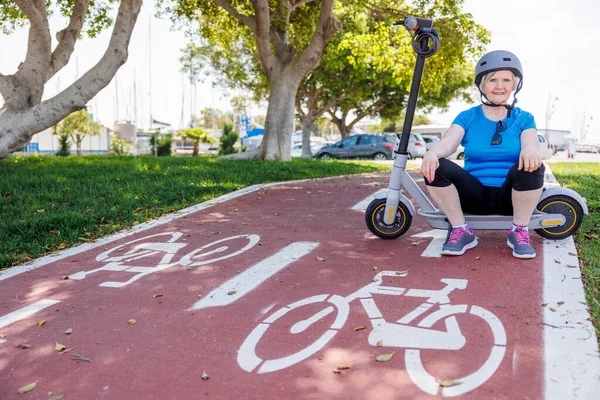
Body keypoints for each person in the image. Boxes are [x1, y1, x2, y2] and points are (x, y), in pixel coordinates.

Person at [420, 50, 544, 259]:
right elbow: (448, 143)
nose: (500, 86)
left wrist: (530, 150)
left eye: (506, 80)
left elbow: (530, 143)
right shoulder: (467, 117)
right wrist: (432, 152)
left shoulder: (524, 118)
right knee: (436, 165)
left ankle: (520, 231)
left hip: (511, 197)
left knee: (533, 164)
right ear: (482, 84)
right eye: (493, 80)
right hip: (473, 194)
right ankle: (461, 230)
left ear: (514, 84)